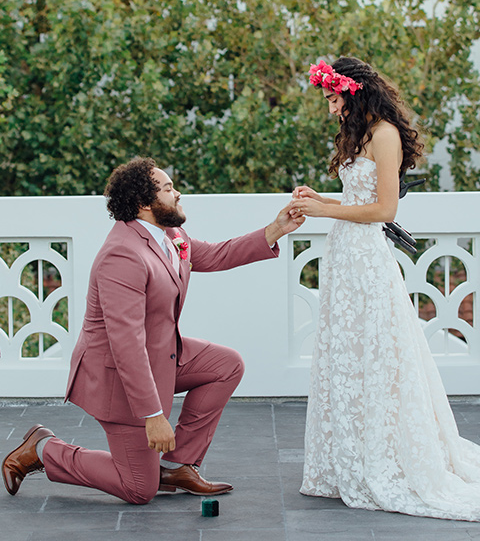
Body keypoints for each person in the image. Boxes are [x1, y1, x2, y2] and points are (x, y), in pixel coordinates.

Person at [2, 157, 304, 505]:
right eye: (168, 188)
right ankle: (43, 449)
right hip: (118, 378)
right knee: (138, 489)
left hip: (160, 355)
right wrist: (154, 416)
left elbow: (214, 255)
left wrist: (277, 228)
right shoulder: (122, 256)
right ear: (145, 204)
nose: (179, 194)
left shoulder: (169, 234)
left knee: (226, 365)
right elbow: (125, 345)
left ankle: (177, 466)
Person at [290, 56, 480, 521]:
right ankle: (345, 458)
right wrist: (321, 200)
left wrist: (325, 213)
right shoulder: (358, 135)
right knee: (346, 354)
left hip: (367, 262)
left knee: (376, 355)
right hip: (343, 257)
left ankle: (382, 458)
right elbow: (357, 202)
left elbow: (385, 211)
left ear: (352, 92)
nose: (330, 108)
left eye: (333, 98)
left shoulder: (386, 135)